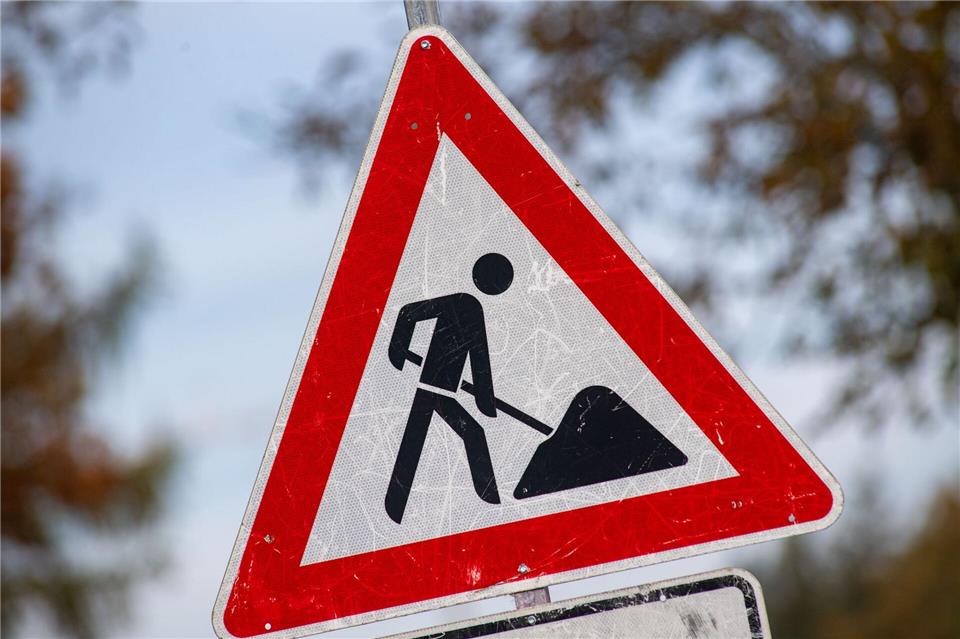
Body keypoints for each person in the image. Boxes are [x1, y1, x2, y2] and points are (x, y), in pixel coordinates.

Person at [384, 253, 514, 524]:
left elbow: (480, 360)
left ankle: (394, 508)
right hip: (432, 389)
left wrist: (484, 400)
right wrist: (396, 350)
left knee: (420, 442)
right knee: (469, 434)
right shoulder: (464, 304)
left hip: (439, 391)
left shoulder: (468, 306)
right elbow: (408, 313)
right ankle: (494, 507)